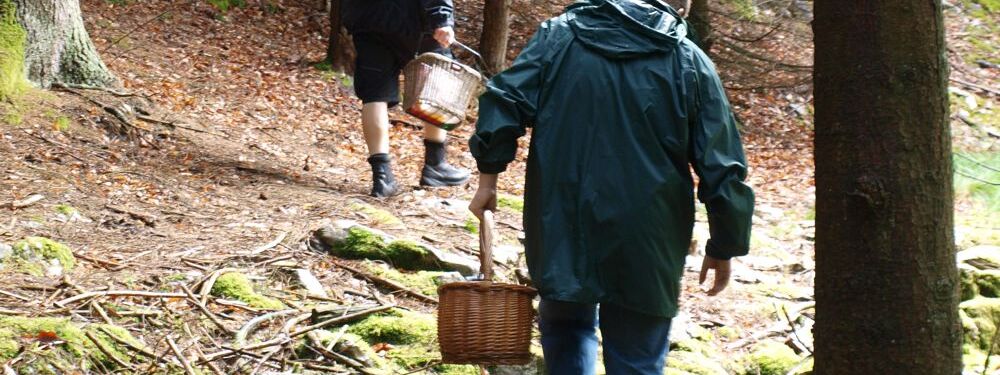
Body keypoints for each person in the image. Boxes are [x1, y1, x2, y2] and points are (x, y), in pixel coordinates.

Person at [466, 0, 754, 373]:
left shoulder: (557, 39)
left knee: (566, 333)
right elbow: (722, 163)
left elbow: (503, 102)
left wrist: (489, 179)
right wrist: (725, 242)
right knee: (638, 356)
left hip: (563, 223)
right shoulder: (688, 59)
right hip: (648, 235)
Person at [342, 0, 470, 197]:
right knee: (435, 82)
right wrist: (442, 18)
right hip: (415, 20)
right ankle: (435, 165)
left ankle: (382, 177)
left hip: (368, 21)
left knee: (375, 94)